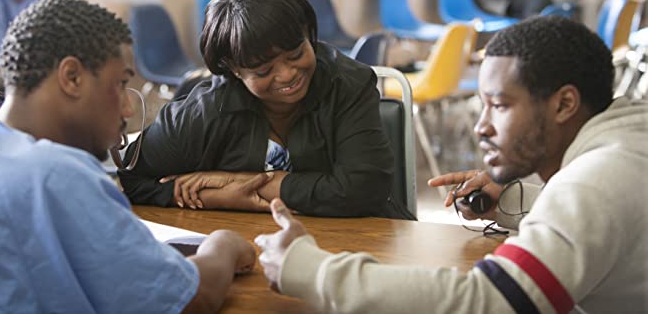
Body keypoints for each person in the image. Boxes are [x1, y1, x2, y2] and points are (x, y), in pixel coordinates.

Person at [255, 16, 648, 313]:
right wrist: (518, 200)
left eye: (500, 105)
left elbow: (489, 301)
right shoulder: (626, 140)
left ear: (564, 104)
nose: (482, 126)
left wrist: (311, 270)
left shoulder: (591, 184)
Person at [0, 0, 256, 313]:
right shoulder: (56, 174)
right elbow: (195, 298)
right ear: (72, 77)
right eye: (120, 84)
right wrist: (223, 245)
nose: (128, 110)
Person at [119, 0, 412, 219]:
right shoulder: (206, 110)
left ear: (309, 34)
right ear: (233, 70)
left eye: (296, 53)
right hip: (252, 248)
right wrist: (218, 197)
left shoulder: (348, 84)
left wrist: (254, 183)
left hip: (360, 243)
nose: (286, 75)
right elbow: (130, 179)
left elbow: (364, 190)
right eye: (262, 70)